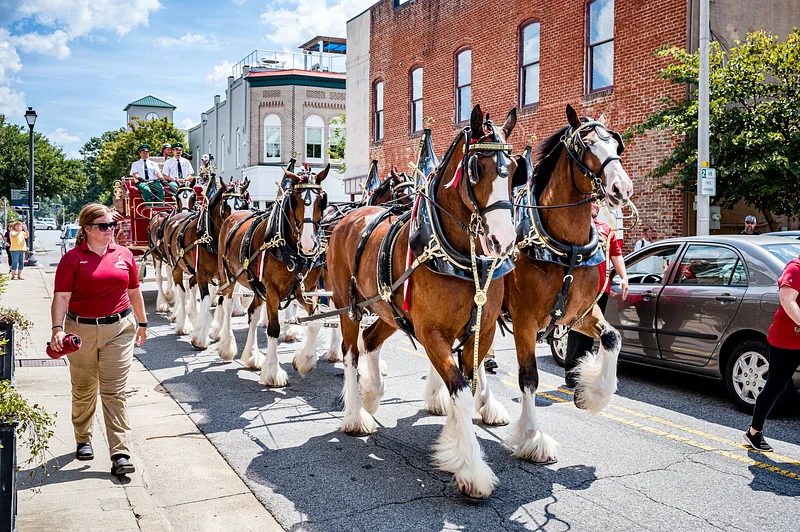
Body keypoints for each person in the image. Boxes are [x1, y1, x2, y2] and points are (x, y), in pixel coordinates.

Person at [49, 203, 148, 476]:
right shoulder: (72, 259)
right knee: (84, 389)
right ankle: (83, 437)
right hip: (80, 331)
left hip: (119, 329)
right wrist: (58, 329)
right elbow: (61, 298)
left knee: (114, 391)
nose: (110, 230)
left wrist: (142, 322)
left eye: (112, 225)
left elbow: (134, 291)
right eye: (104, 226)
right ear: (88, 229)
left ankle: (120, 452)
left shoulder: (124, 255)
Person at [564, 202, 629, 387]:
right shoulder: (576, 226)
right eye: (591, 201)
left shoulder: (606, 229)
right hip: (580, 289)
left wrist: (624, 277)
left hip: (601, 289)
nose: (595, 204)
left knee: (594, 331)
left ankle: (586, 372)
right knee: (578, 331)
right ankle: (573, 373)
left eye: (597, 202)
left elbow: (616, 255)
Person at [744, 255, 800, 452]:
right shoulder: (795, 268)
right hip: (787, 340)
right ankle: (754, 432)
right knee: (775, 386)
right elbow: (787, 300)